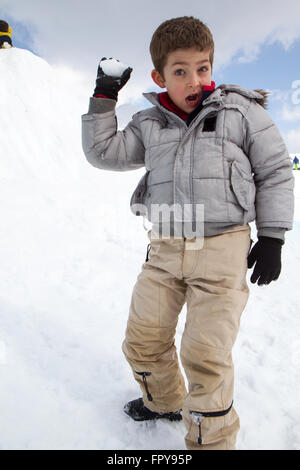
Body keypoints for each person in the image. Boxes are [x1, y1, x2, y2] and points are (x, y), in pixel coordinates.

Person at [81, 16, 294, 450]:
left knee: (206, 356)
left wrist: (272, 237)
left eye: (203, 68)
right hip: (165, 246)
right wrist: (104, 98)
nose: (194, 79)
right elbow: (103, 153)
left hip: (223, 245)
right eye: (180, 71)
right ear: (160, 76)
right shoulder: (149, 123)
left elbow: (275, 171)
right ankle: (163, 401)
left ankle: (210, 443)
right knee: (142, 340)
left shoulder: (239, 112)